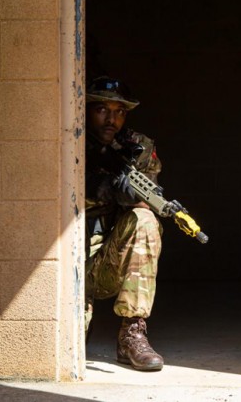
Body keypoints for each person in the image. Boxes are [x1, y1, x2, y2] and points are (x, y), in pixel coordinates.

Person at [84, 76, 165, 371]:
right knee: (68, 345)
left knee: (145, 220)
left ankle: (133, 332)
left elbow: (148, 199)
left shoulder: (136, 148)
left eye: (119, 112)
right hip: (71, 265)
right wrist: (100, 187)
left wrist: (129, 197)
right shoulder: (67, 140)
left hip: (111, 258)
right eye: (102, 110)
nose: (111, 119)